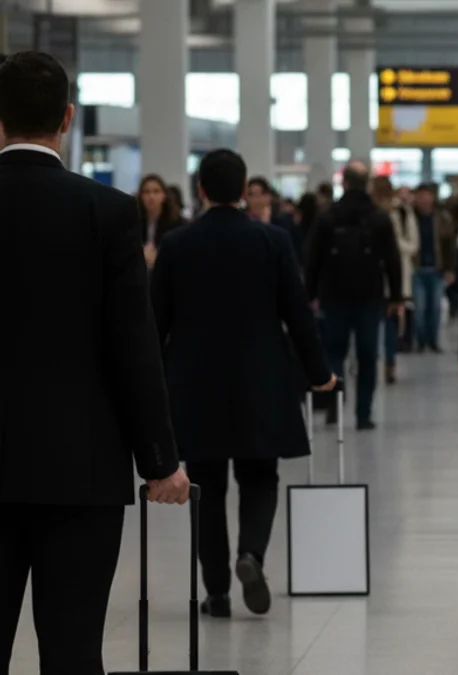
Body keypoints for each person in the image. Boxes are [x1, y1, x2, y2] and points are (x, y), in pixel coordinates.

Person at [0, 50, 191, 675]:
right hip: (82, 468)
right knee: (73, 648)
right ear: (67, 118)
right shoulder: (106, 212)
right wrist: (160, 460)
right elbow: (133, 345)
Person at [151, 148, 336, 618]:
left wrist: (148, 385)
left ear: (202, 190)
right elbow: (298, 314)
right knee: (260, 476)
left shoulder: (176, 244)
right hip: (262, 377)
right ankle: (250, 555)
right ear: (244, 190)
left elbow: (155, 323)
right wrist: (319, 374)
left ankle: (216, 593)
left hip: (195, 384)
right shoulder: (272, 240)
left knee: (207, 486)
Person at [305, 160, 405, 430]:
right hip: (369, 297)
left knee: (334, 352)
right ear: (367, 185)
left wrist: (309, 294)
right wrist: (395, 296)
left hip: (334, 295)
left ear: (344, 183)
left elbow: (313, 259)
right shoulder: (379, 217)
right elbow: (393, 260)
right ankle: (363, 414)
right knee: (367, 356)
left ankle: (336, 403)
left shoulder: (328, 216)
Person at [371, 176, 414, 384]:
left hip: (394, 277)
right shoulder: (369, 214)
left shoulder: (402, 213)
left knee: (390, 323)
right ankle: (374, 362)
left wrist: (393, 244)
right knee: (374, 323)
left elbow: (412, 245)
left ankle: (389, 363)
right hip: (372, 278)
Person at [408, 183, 458, 353]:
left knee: (435, 308)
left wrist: (450, 269)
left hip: (436, 269)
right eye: (421, 195)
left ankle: (433, 340)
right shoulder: (410, 218)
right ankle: (421, 340)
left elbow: (449, 246)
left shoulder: (442, 218)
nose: (424, 199)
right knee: (420, 308)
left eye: (427, 195)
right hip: (417, 269)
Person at [137, 173, 185, 270]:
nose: (151, 196)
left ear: (164, 195)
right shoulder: (135, 221)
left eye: (156, 191)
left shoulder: (176, 223)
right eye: (146, 192)